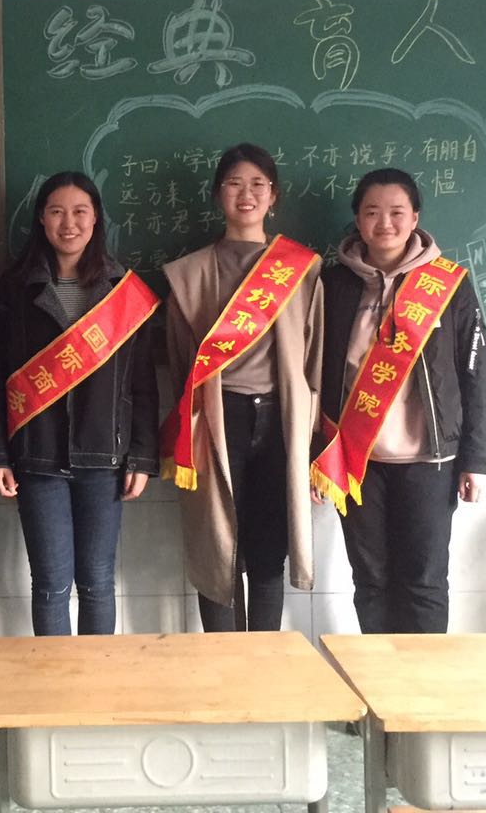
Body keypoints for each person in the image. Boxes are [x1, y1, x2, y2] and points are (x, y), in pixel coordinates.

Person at [0, 171, 159, 637]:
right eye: (57, 212)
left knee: (97, 582)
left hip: (105, 458)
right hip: (37, 457)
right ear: (42, 219)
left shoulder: (124, 291)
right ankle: (53, 683)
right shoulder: (13, 291)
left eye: (80, 212)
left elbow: (142, 384)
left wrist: (141, 456)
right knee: (51, 585)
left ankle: (96, 681)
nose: (69, 223)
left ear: (96, 219)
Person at [313, 167, 486, 634]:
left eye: (397, 212)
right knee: (370, 581)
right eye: (372, 212)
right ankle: (376, 676)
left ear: (415, 218)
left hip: (430, 460)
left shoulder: (449, 284)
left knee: (424, 582)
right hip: (358, 461)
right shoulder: (333, 286)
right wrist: (317, 454)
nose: (385, 223)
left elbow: (476, 375)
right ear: (358, 219)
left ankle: (421, 679)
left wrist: (476, 458)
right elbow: (314, 374)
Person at [162, 144, 324, 632]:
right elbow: (179, 359)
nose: (246, 194)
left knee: (268, 548)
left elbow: (314, 355)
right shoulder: (189, 273)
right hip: (218, 417)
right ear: (218, 194)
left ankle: (264, 660)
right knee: (219, 545)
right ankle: (222, 661)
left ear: (274, 196)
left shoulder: (301, 269)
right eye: (234, 183)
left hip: (280, 419)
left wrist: (314, 436)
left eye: (258, 184)